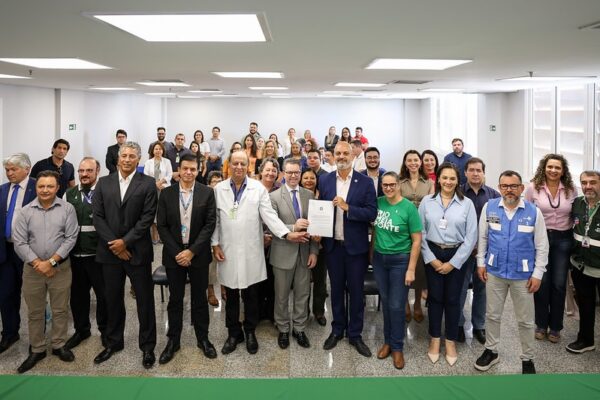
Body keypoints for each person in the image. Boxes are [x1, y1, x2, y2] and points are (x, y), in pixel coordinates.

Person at [211, 151, 307, 355]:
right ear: (229, 165)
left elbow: (269, 216)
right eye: (235, 163)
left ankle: (250, 331)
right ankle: (233, 333)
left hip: (251, 251)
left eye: (242, 163)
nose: (238, 167)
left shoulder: (257, 189)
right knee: (231, 296)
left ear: (248, 166)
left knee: (251, 295)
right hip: (227, 250)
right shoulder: (219, 189)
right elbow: (215, 220)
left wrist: (287, 233)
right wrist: (215, 244)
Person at [474, 170, 549, 375]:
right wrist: (481, 263)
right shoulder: (490, 207)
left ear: (521, 188)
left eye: (514, 186)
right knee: (492, 315)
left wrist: (538, 274)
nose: (509, 190)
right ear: (499, 188)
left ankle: (527, 358)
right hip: (495, 271)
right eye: (505, 186)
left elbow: (542, 246)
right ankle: (491, 350)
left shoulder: (534, 212)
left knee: (525, 320)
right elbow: (483, 238)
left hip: (523, 276)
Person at [92, 141, 158, 369]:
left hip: (137, 252)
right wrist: (116, 245)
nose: (127, 159)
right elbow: (97, 217)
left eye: (132, 156)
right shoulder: (103, 183)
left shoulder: (147, 184)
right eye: (124, 155)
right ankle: (113, 342)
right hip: (110, 253)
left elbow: (147, 218)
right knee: (112, 299)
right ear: (118, 158)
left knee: (145, 301)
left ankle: (147, 347)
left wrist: (125, 242)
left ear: (138, 160)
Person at [13, 170, 78, 373]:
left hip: (60, 268)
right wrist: (38, 263)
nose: (45, 190)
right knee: (35, 312)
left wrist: (50, 262)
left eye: (50, 186)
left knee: (60, 309)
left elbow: (71, 237)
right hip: (32, 270)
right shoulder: (25, 211)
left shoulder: (67, 209)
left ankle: (59, 344)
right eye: (41, 186)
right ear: (36, 188)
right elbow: (19, 241)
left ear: (57, 188)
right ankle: (37, 348)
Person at [156, 154, 217, 364]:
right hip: (174, 255)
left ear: (198, 170)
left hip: (198, 255)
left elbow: (210, 224)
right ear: (179, 170)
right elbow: (162, 226)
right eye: (185, 169)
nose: (189, 172)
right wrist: (178, 253)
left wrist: (191, 251)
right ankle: (173, 341)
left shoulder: (207, 193)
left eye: (193, 169)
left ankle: (203, 339)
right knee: (175, 299)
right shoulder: (167, 193)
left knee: (199, 298)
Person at [318, 141, 377, 357]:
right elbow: (321, 209)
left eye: (345, 153)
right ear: (333, 155)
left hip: (356, 249)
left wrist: (348, 207)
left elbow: (372, 213)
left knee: (356, 292)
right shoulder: (325, 180)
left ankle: (355, 334)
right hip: (333, 247)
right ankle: (337, 330)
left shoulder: (365, 182)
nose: (342, 156)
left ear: (353, 156)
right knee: (335, 291)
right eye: (338, 153)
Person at [418, 162, 477, 366]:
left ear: (458, 181)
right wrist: (431, 259)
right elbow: (420, 232)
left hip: (457, 254)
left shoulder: (467, 204)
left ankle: (450, 340)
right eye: (444, 177)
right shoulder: (427, 201)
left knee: (453, 299)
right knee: (435, 298)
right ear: (438, 179)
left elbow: (471, 236)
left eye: (452, 178)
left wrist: (453, 263)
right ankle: (435, 338)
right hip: (432, 252)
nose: (448, 182)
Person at [524, 154, 577, 344]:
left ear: (563, 171)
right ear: (544, 168)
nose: (553, 170)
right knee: (542, 282)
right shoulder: (533, 188)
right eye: (550, 167)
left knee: (559, 284)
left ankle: (555, 327)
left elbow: (575, 215)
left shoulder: (571, 189)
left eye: (557, 167)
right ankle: (540, 324)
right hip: (540, 238)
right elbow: (526, 214)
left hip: (563, 239)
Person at [372, 171, 422, 369]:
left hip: (400, 261)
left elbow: (417, 240)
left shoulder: (409, 208)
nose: (389, 188)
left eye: (392, 184)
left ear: (399, 185)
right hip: (379, 260)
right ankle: (387, 342)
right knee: (386, 303)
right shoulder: (378, 203)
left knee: (397, 305)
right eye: (385, 185)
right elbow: (374, 229)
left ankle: (397, 347)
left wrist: (411, 269)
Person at [270, 159, 318, 349]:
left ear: (300, 173)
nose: (293, 176)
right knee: (281, 295)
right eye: (289, 172)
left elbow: (315, 226)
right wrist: (292, 227)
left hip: (305, 253)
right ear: (283, 173)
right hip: (282, 253)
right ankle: (283, 328)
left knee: (302, 294)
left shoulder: (309, 195)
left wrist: (314, 251)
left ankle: (299, 328)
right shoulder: (273, 197)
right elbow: (271, 224)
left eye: (296, 172)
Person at [63, 158, 108, 350]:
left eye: (89, 170)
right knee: (78, 296)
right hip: (75, 256)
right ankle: (81, 330)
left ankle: (105, 331)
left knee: (103, 296)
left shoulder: (105, 192)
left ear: (97, 171)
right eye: (81, 171)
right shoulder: (69, 194)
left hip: (99, 255)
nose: (84, 174)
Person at [457, 157, 500, 344]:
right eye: (472, 170)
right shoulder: (457, 192)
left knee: (482, 290)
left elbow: (497, 224)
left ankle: (479, 326)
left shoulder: (493, 195)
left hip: (485, 252)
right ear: (465, 172)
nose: (475, 173)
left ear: (483, 173)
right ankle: (458, 324)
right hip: (461, 250)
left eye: (479, 170)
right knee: (459, 289)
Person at [0, 153, 36, 355]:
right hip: (5, 251)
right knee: (6, 295)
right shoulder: (2, 190)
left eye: (14, 169)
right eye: (7, 169)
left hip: (29, 252)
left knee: (33, 297)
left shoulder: (38, 187)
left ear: (27, 169)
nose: (9, 173)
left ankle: (37, 339)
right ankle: (9, 333)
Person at [398, 150, 434, 325]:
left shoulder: (429, 183)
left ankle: (418, 303)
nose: (413, 163)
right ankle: (405, 303)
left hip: (421, 230)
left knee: (419, 269)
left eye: (415, 160)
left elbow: (432, 207)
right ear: (405, 163)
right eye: (409, 160)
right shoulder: (399, 182)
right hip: (403, 230)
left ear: (420, 163)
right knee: (403, 266)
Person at [566, 170, 600, 354]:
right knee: (585, 305)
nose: (588, 186)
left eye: (593, 182)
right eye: (584, 182)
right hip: (581, 265)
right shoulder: (577, 203)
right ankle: (586, 340)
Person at [257, 158, 282, 322]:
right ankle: (257, 313)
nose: (270, 173)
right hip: (255, 241)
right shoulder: (253, 188)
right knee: (257, 280)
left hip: (276, 241)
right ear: (261, 171)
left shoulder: (281, 190)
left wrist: (272, 236)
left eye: (274, 170)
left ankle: (272, 314)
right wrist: (261, 236)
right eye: (267, 170)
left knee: (274, 280)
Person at [143, 142, 173, 244]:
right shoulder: (148, 162)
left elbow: (170, 174)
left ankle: (162, 235)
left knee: (163, 212)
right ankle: (154, 234)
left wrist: (161, 182)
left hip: (164, 189)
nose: (158, 151)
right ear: (153, 151)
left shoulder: (167, 161)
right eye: (156, 149)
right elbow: (146, 175)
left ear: (163, 151)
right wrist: (155, 184)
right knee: (153, 211)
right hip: (152, 190)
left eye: (160, 149)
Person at [205, 171, 224, 307]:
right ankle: (210, 291)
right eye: (214, 181)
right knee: (211, 264)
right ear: (209, 184)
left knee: (225, 262)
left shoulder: (227, 195)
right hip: (208, 235)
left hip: (225, 235)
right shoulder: (205, 196)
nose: (217, 184)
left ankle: (224, 288)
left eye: (219, 181)